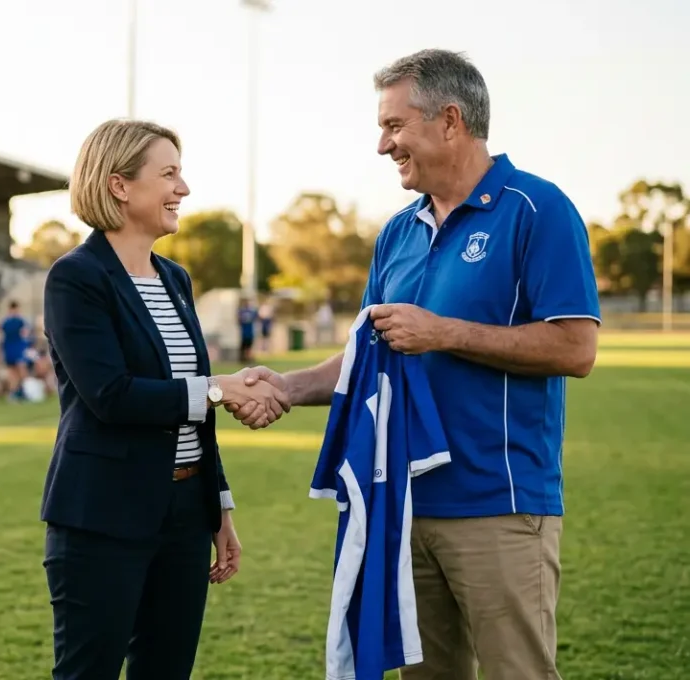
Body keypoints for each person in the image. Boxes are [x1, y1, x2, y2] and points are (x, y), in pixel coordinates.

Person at [231, 49, 600, 680]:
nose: (383, 145)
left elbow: (576, 348)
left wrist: (445, 332)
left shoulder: (537, 209)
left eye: (395, 126)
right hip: (401, 505)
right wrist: (285, 387)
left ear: (450, 120)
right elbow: (368, 355)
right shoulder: (397, 232)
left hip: (502, 506)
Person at [39, 118, 290, 680]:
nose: (184, 188)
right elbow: (112, 396)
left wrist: (216, 502)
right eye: (169, 174)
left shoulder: (175, 277)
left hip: (183, 517)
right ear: (118, 185)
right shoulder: (76, 278)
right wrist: (221, 389)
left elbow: (191, 404)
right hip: (102, 518)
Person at [0, 300, 29, 401]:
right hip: (17, 348)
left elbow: (2, 335)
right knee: (19, 371)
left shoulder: (5, 321)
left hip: (9, 349)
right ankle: (20, 392)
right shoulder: (19, 321)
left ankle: (14, 393)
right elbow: (24, 334)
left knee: (13, 372)